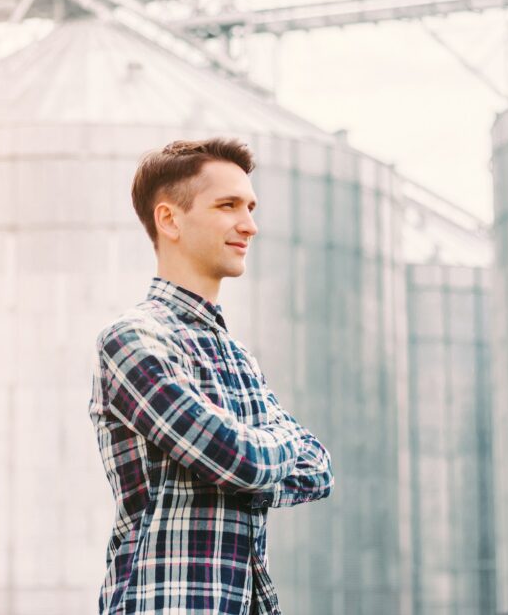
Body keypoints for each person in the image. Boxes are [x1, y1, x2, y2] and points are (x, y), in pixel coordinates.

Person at [88, 138, 334, 615]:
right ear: (169, 219)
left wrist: (255, 458)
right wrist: (275, 446)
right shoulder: (132, 341)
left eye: (251, 207)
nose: (250, 225)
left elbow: (320, 469)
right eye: (228, 206)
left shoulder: (240, 358)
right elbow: (238, 459)